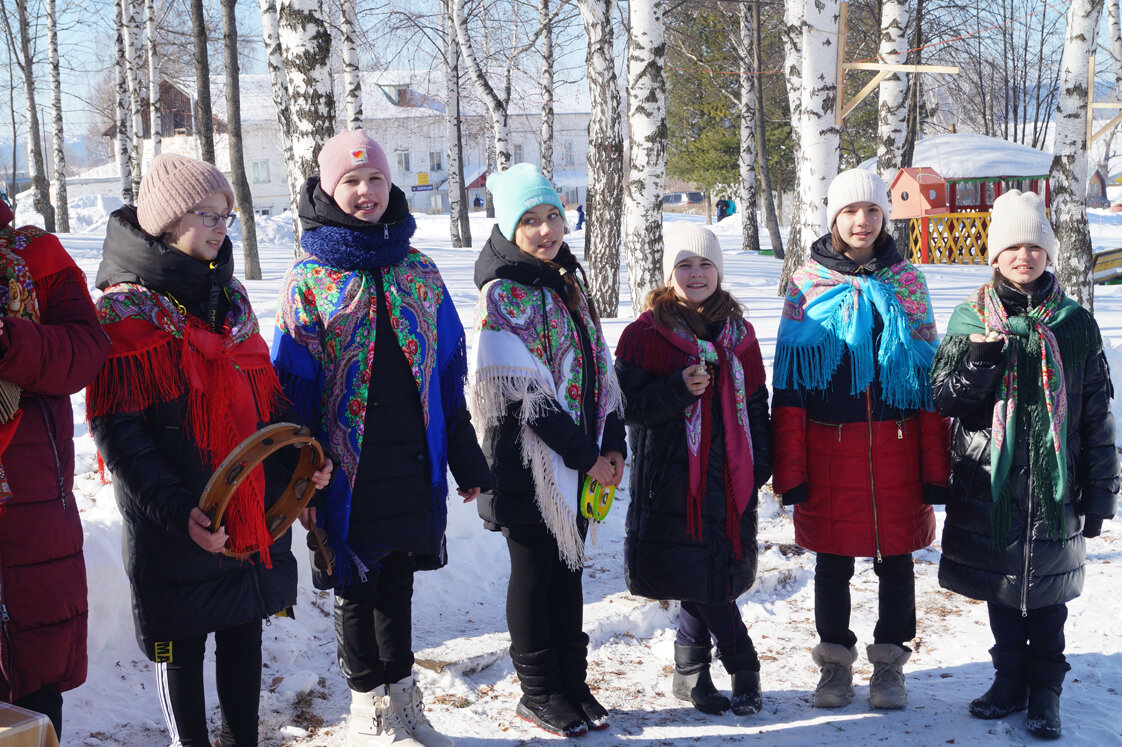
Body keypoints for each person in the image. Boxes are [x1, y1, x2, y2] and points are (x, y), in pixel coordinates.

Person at [88, 152, 332, 747]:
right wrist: (178, 512)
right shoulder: (123, 313)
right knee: (184, 649)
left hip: (247, 511)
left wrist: (303, 456)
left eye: (226, 213)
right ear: (167, 221)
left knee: (244, 633)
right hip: (178, 521)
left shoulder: (233, 300)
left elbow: (266, 398)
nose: (222, 225)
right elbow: (121, 435)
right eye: (207, 213)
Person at [273, 129, 488, 747]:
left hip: (415, 461)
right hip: (344, 473)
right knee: (355, 589)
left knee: (398, 584)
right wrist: (300, 478)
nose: (365, 192)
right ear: (326, 188)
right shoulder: (308, 279)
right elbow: (293, 392)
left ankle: (405, 705)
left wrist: (466, 458)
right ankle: (370, 713)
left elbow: (448, 374)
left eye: (374, 179)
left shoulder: (419, 270)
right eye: (350, 181)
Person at [930, 190, 1118, 740]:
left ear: (1049, 253)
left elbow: (1095, 413)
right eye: (1011, 245)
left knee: (1050, 597)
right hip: (990, 483)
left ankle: (1046, 692)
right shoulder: (970, 317)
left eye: (1034, 245)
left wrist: (1102, 491)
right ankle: (1008, 680)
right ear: (993, 255)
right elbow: (948, 400)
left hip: (1056, 484)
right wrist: (982, 360)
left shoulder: (1074, 322)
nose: (1023, 255)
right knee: (1003, 589)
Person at [771, 168, 949, 710]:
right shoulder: (806, 285)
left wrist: (935, 468)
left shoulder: (908, 282)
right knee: (831, 561)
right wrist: (791, 470)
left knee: (896, 561)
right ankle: (834, 665)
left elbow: (927, 385)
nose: (862, 221)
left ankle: (891, 664)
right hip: (830, 452)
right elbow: (790, 388)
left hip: (898, 448)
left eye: (872, 211)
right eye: (850, 211)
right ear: (833, 217)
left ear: (884, 217)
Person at [471, 163, 625, 737]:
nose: (545, 230)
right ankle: (537, 693)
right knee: (535, 575)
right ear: (509, 227)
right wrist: (588, 454)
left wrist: (613, 444)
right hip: (529, 466)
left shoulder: (568, 279)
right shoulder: (502, 293)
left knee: (570, 572)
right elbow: (522, 397)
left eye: (552, 216)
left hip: (581, 457)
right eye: (529, 220)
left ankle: (571, 682)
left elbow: (599, 369)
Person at [614, 223, 771, 717]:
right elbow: (627, 408)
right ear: (669, 273)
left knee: (708, 576)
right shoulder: (643, 335)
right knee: (701, 578)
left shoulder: (740, 336)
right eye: (685, 264)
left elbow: (758, 404)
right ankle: (744, 664)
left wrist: (760, 464)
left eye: (705, 264)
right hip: (671, 483)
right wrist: (678, 390)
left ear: (719, 271)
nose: (696, 274)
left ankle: (689, 673)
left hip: (731, 478)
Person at [0, 197, 109, 738]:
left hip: (31, 521)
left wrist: (8, 342)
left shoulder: (36, 255)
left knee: (34, 691)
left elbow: (88, 349)